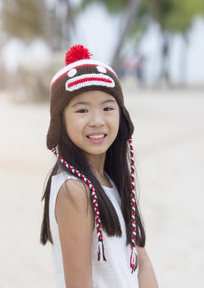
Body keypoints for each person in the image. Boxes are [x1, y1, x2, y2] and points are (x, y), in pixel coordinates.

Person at [40, 44, 158, 288]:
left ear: (121, 116)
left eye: (107, 108)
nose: (97, 121)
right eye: (82, 110)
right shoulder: (74, 190)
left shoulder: (114, 180)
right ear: (60, 121)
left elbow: (141, 262)